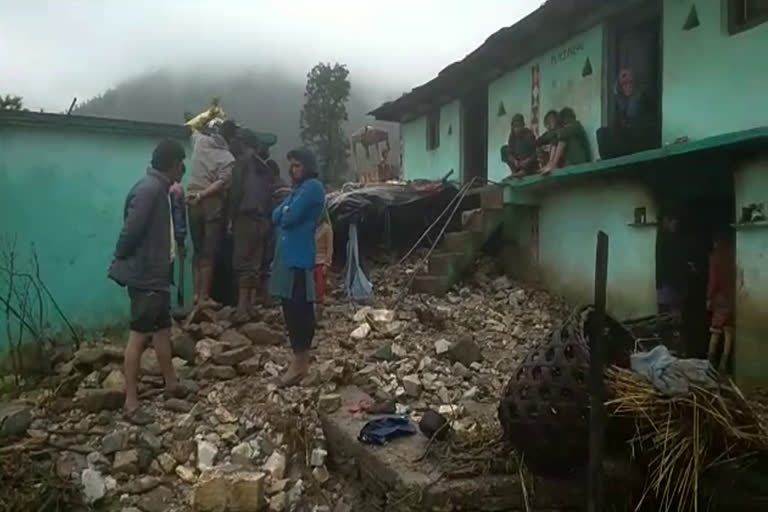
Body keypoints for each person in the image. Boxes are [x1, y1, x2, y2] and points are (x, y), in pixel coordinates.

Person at [108, 140, 190, 423]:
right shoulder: (149, 190)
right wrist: (120, 258)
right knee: (139, 336)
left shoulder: (160, 190)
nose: (184, 168)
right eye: (181, 162)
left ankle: (171, 385)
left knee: (163, 331)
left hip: (157, 275)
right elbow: (130, 231)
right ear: (172, 163)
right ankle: (131, 402)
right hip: (146, 277)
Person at [269, 148, 325, 387]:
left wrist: (285, 210)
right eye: (291, 165)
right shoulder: (297, 191)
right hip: (286, 258)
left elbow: (288, 219)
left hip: (299, 259)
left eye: (297, 165)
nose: (293, 170)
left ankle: (300, 362)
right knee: (289, 309)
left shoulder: (313, 187)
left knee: (299, 309)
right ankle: (298, 361)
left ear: (308, 166)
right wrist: (285, 209)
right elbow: (275, 216)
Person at [187, 120, 237, 308]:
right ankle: (204, 297)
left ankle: (194, 294)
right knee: (209, 251)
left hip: (191, 200)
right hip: (211, 203)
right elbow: (221, 183)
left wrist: (211, 113)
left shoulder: (199, 141)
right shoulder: (228, 158)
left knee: (197, 249)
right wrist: (204, 195)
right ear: (230, 138)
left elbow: (192, 127)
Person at [229, 130, 275, 323]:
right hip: (262, 219)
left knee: (242, 262)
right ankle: (251, 306)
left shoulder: (240, 163)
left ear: (243, 145)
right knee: (255, 263)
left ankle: (241, 308)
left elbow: (237, 192)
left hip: (245, 217)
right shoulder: (265, 168)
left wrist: (231, 219)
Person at [596, 69, 656, 159]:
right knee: (601, 132)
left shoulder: (642, 94)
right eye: (624, 84)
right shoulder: (620, 101)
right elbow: (616, 124)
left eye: (630, 82)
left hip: (640, 137)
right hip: (626, 137)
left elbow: (648, 117)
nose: (627, 86)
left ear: (635, 82)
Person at [706, 230, 735, 372]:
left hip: (719, 298)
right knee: (729, 331)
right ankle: (724, 364)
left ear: (716, 242)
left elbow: (713, 280)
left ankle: (710, 365)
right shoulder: (732, 255)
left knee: (715, 331)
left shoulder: (715, 256)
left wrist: (709, 298)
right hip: (731, 297)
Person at [537, 107, 591, 175]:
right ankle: (550, 164)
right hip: (570, 162)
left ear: (570, 119)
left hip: (580, 161)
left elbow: (560, 134)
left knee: (562, 138)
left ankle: (553, 164)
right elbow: (541, 140)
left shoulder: (577, 126)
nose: (564, 124)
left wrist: (554, 129)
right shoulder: (566, 129)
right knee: (555, 139)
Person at [656, 213, 689, 318]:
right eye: (673, 223)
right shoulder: (663, 239)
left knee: (677, 309)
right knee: (666, 311)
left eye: (676, 224)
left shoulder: (678, 240)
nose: (675, 226)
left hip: (677, 283)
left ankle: (676, 330)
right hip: (667, 282)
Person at [501, 113, 538, 177]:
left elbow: (535, 154)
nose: (517, 129)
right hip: (518, 162)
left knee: (521, 145)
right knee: (504, 149)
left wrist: (527, 161)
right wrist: (514, 160)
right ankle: (514, 171)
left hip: (529, 164)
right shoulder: (512, 136)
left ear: (523, 126)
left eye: (519, 126)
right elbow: (510, 151)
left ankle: (523, 171)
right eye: (515, 126)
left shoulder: (528, 135)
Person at [314, 209, 334, 320]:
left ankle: (319, 314)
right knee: (312, 289)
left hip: (321, 262)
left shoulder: (327, 229)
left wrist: (327, 264)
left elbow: (330, 248)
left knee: (320, 289)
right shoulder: (312, 228)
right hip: (311, 261)